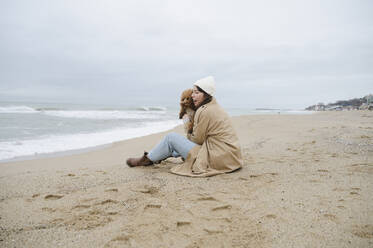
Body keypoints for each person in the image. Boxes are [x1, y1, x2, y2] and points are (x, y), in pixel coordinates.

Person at [126, 76, 242, 177]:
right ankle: (155, 155)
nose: (192, 96)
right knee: (174, 144)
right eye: (193, 92)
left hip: (216, 159)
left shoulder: (204, 111)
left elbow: (197, 140)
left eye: (197, 93)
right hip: (230, 158)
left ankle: (148, 159)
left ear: (206, 94)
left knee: (171, 138)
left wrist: (186, 123)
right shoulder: (214, 106)